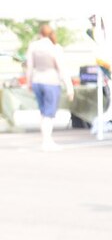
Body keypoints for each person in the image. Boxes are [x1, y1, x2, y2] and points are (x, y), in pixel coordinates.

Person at [25, 22, 68, 152]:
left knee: (43, 112)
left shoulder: (33, 46)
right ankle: (47, 140)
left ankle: (46, 139)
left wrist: (28, 82)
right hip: (51, 81)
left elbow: (29, 66)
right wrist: (69, 85)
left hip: (37, 80)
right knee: (49, 113)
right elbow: (62, 68)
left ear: (40, 33)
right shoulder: (55, 47)